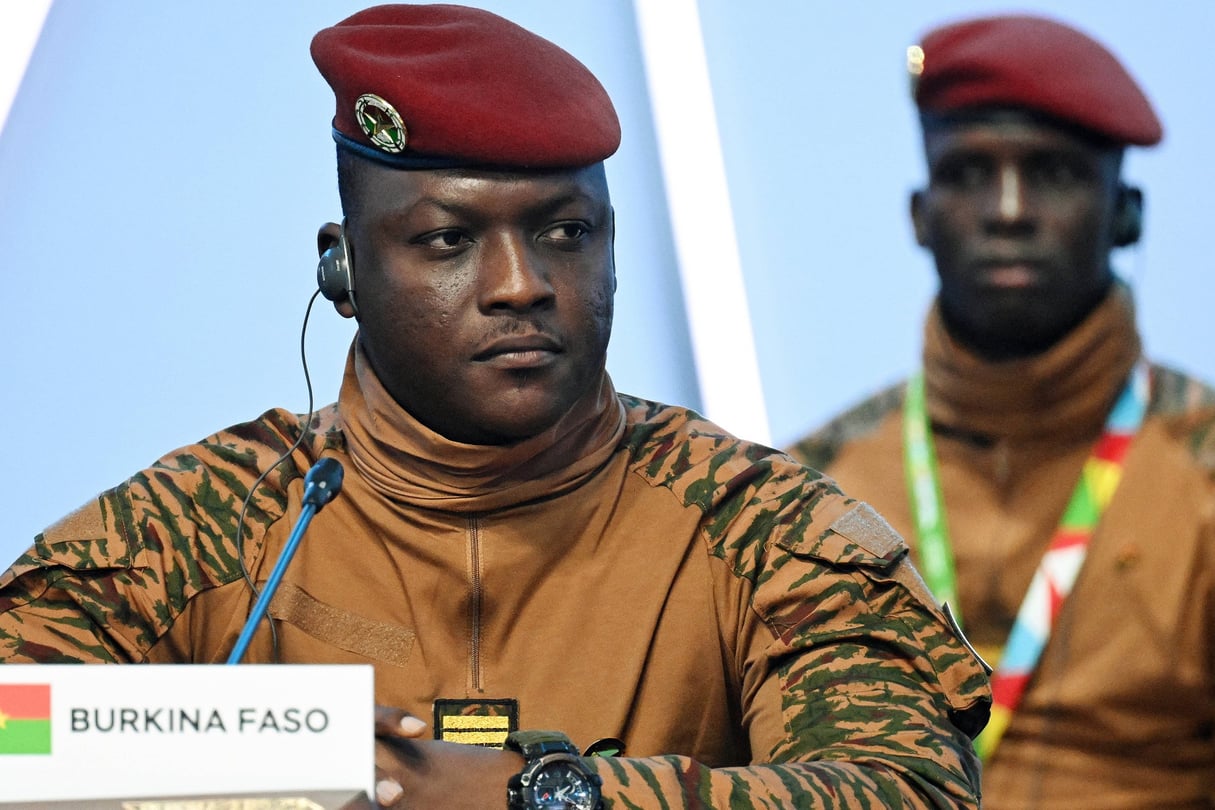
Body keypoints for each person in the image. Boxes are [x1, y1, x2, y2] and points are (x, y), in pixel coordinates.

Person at [0, 4, 989, 808]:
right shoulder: (213, 521)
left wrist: (554, 795)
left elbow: (909, 789)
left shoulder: (758, 525)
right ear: (344, 268)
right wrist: (255, 758)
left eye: (565, 232)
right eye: (447, 241)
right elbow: (13, 728)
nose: (521, 284)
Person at [786, 13, 1215, 809]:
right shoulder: (813, 487)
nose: (1008, 210)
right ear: (918, 215)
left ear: (1127, 215)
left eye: (1051, 173)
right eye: (970, 172)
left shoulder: (1200, 474)